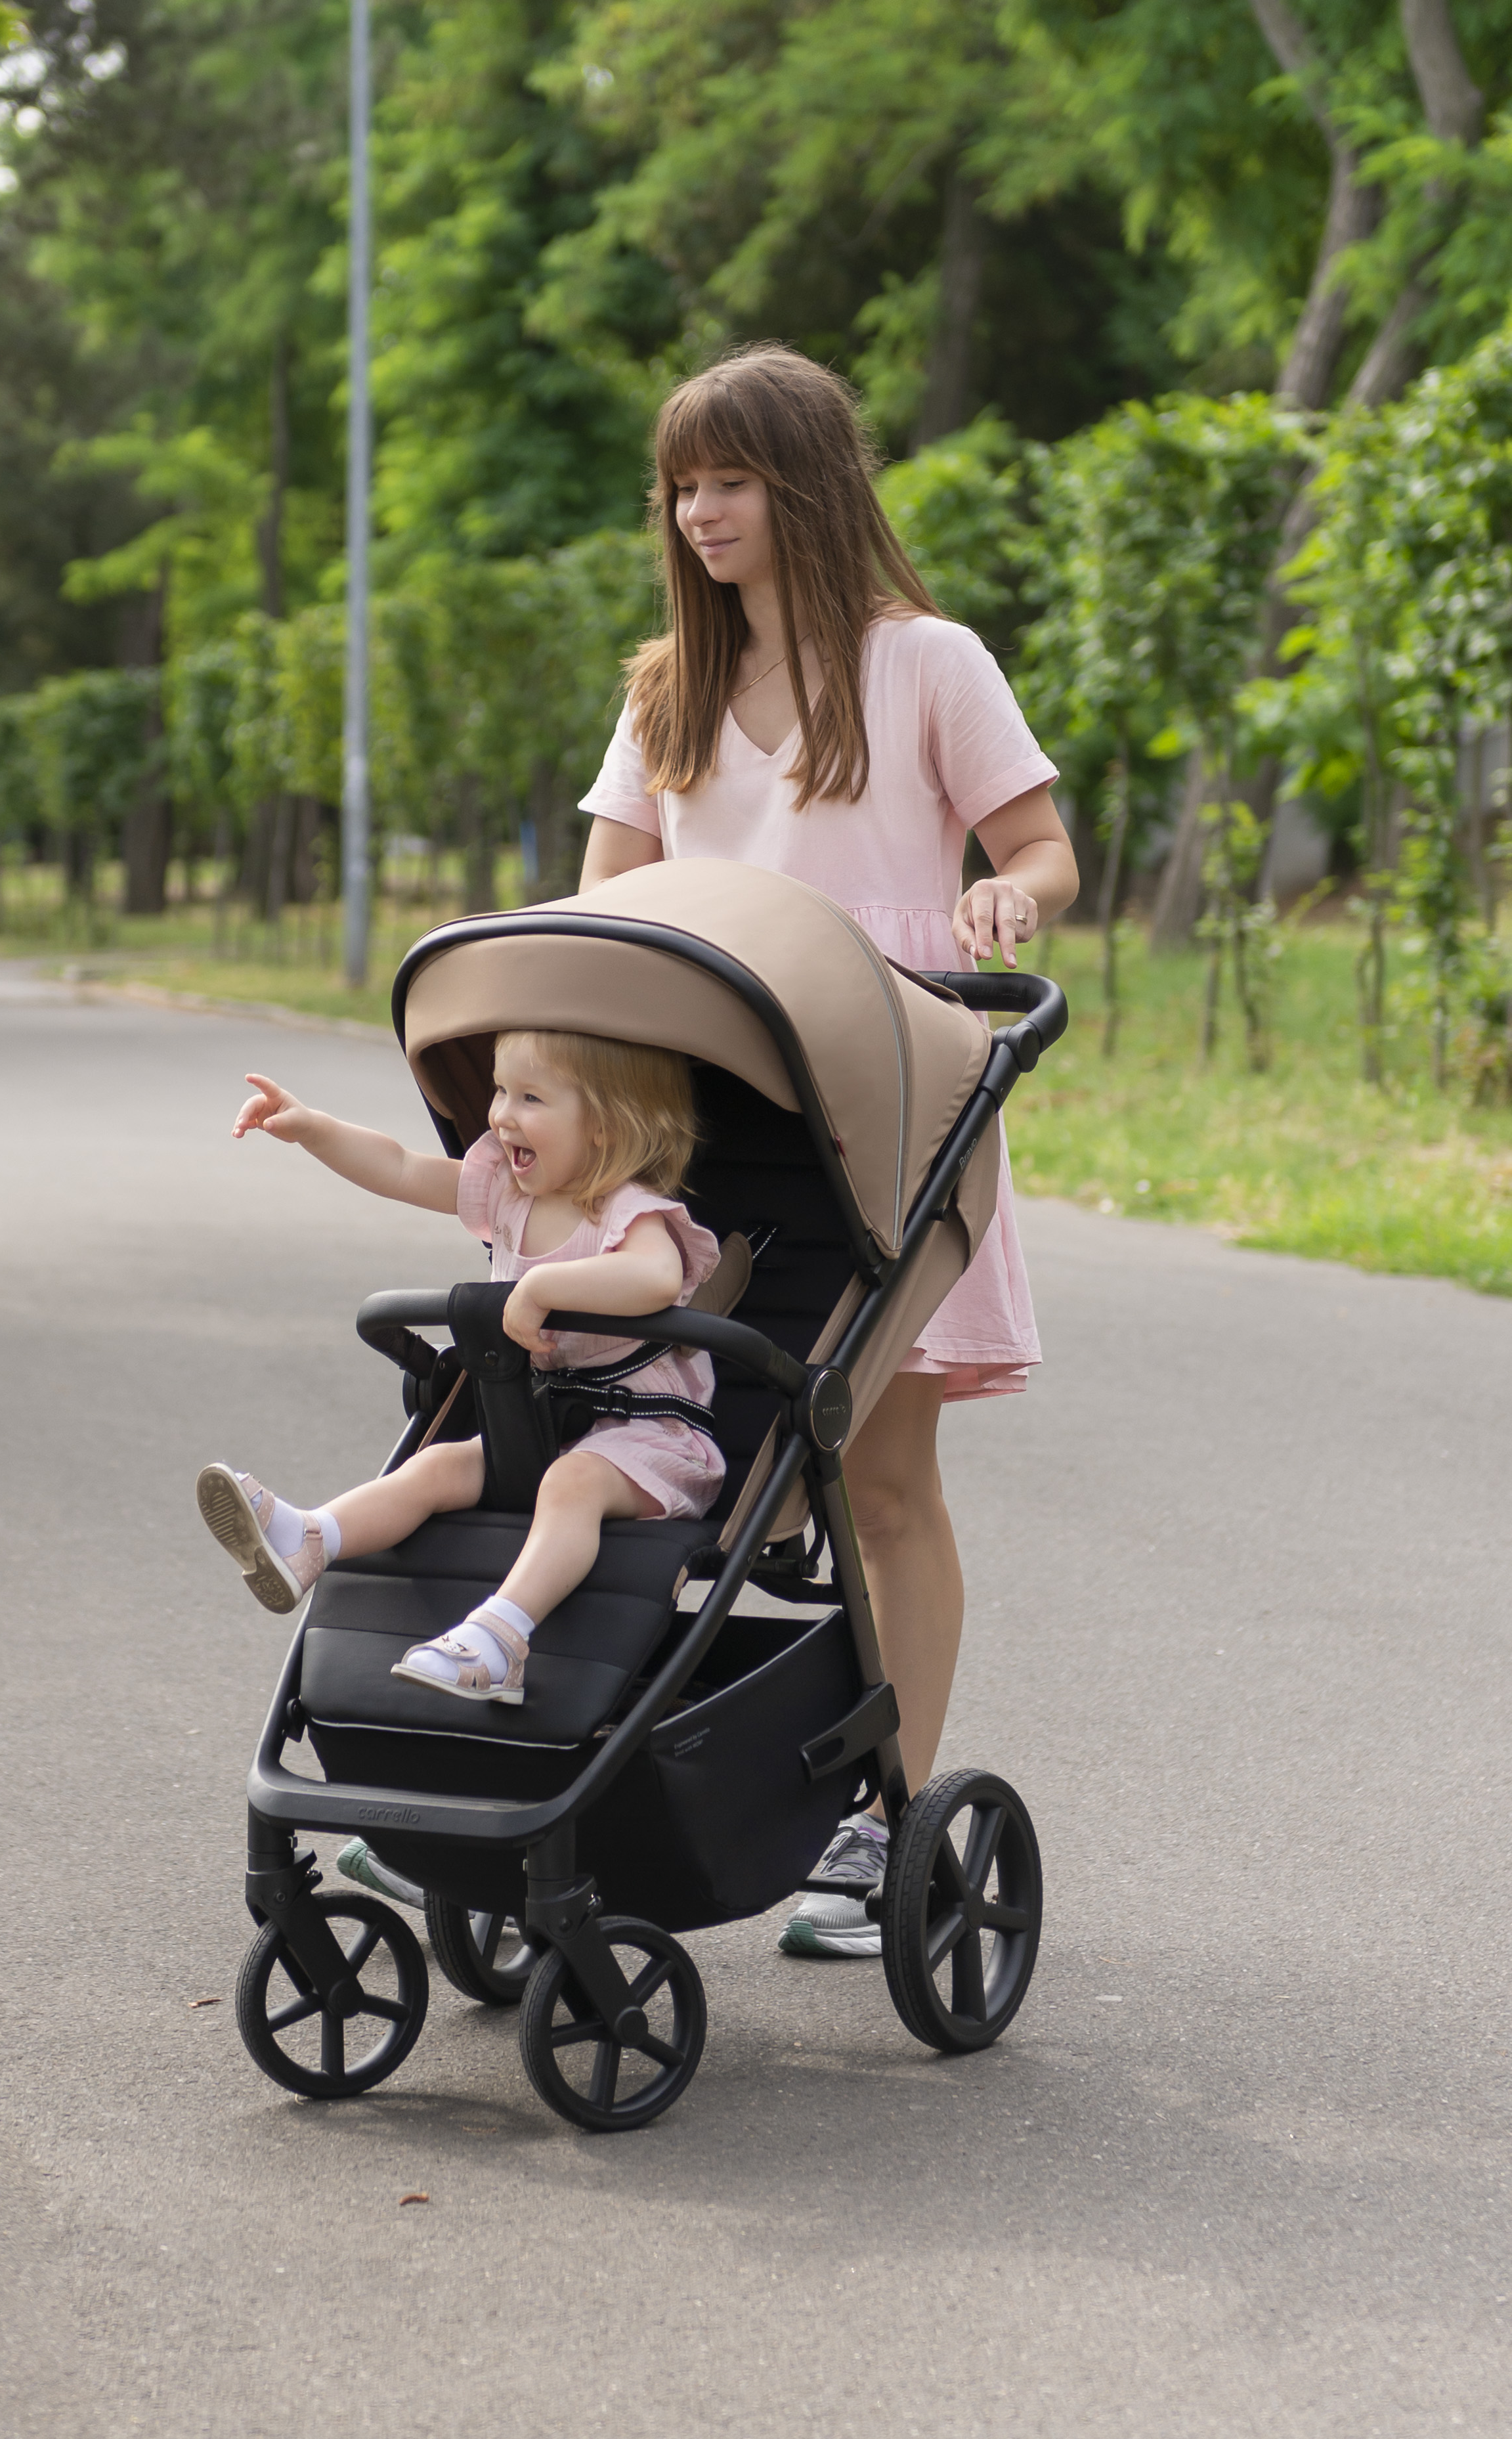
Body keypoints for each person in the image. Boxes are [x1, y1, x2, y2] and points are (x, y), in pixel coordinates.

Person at [576, 343, 1078, 1958]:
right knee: (667, 1442)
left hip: (889, 1103)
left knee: (880, 1475)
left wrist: (1010, 898)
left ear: (802, 484)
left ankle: (889, 1816)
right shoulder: (664, 686)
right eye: (680, 483)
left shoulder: (927, 662)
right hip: (710, 1109)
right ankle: (595, 1774)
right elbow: (600, 901)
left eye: (726, 479)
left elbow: (1039, 846)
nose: (696, 509)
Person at [198, 1027, 723, 1705]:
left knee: (572, 1483)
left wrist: (540, 1289)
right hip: (543, 1424)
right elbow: (402, 1168)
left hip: (651, 1440)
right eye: (500, 1090)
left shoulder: (625, 1208)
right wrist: (314, 1129)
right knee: (438, 1465)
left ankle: (502, 1640)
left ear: (604, 1126)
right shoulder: (508, 1193)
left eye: (530, 1097)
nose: (501, 1113)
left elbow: (656, 1277)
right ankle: (308, 1539)